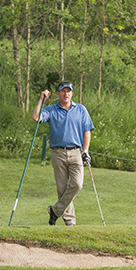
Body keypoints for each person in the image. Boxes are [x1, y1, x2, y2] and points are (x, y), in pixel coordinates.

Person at [33, 81, 94, 226]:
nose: (66, 94)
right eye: (63, 91)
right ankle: (70, 221)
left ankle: (55, 211)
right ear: (58, 93)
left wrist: (85, 150)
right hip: (58, 153)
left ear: (72, 93)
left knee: (77, 184)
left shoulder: (80, 109)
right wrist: (42, 99)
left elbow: (87, 130)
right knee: (62, 188)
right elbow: (36, 118)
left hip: (76, 152)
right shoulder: (51, 109)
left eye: (69, 91)